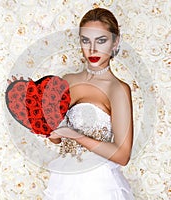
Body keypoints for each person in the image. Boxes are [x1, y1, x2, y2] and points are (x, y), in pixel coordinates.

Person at [43, 8, 134, 200]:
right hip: (63, 180)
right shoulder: (67, 80)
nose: (92, 50)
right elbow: (56, 138)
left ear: (115, 42)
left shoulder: (117, 89)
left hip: (98, 184)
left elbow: (123, 155)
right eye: (86, 40)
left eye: (101, 40)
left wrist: (75, 135)